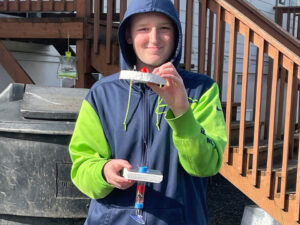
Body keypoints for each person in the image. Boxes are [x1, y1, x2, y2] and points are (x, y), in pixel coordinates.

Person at [69, 0, 227, 224]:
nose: (154, 39)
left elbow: (206, 166)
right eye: (143, 28)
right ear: (128, 35)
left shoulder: (201, 90)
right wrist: (103, 172)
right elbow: (81, 165)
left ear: (176, 35)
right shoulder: (102, 94)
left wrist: (181, 110)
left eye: (164, 28)